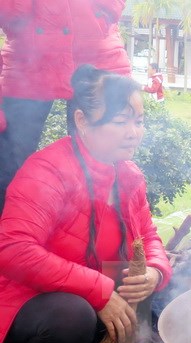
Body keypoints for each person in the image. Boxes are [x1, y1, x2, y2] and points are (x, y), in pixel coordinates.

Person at [0, 65, 172, 343]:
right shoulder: (47, 171)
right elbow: (13, 250)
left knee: (143, 283)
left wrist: (156, 272)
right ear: (82, 119)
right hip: (30, 302)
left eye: (140, 121)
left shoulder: (128, 175)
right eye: (121, 120)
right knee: (72, 314)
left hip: (90, 288)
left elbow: (150, 236)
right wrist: (98, 289)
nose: (134, 132)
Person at [0, 0, 131, 214]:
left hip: (97, 55)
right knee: (7, 166)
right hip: (26, 61)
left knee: (98, 167)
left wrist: (103, 9)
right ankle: (10, 239)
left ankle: (91, 242)